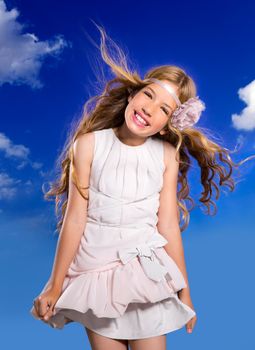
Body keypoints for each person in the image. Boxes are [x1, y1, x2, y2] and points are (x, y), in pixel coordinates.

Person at [30, 23, 255, 350]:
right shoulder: (89, 145)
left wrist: (185, 291)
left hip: (146, 275)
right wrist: (54, 285)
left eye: (164, 108)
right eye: (149, 95)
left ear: (169, 124)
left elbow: (167, 225)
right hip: (96, 272)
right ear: (133, 94)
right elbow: (75, 219)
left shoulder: (165, 155)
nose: (150, 109)